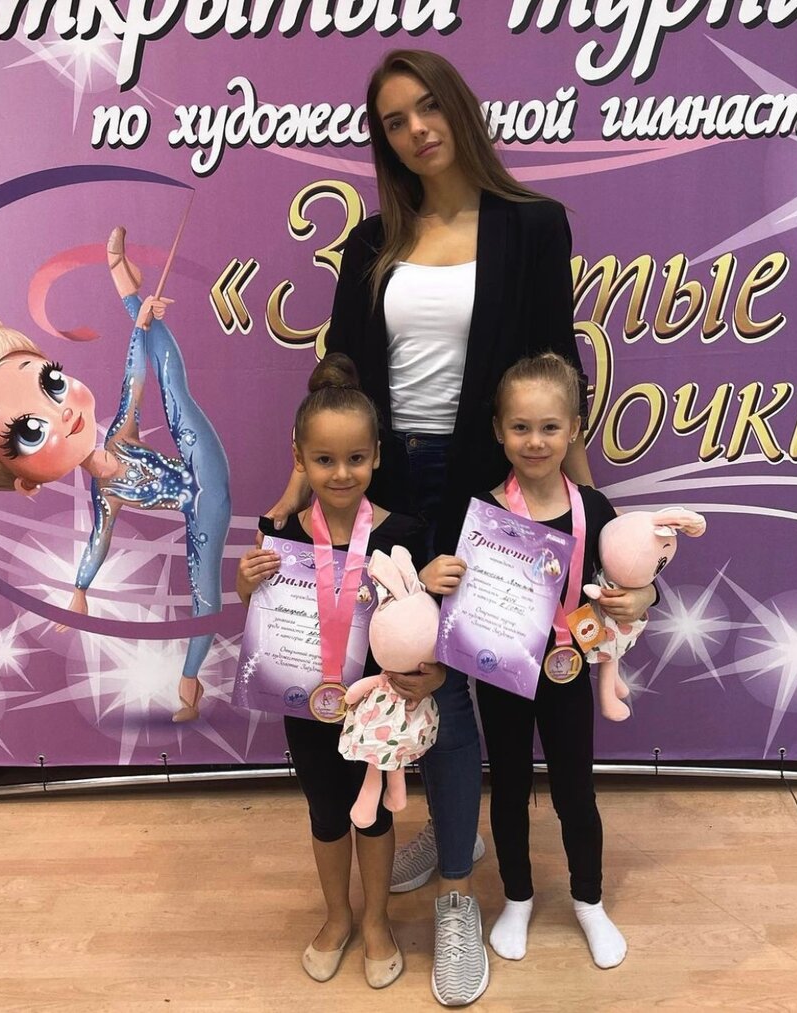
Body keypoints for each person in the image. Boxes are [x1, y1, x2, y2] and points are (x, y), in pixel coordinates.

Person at [265, 49, 595, 1007]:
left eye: (427, 107)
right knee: (411, 676)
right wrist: (293, 499)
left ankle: (457, 894)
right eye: (393, 120)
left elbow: (556, 373)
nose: (415, 129)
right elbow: (339, 377)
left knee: (466, 686)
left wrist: (583, 515)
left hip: (491, 483)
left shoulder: (533, 225)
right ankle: (454, 840)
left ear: (458, 108)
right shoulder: (374, 241)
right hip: (386, 484)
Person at [0, 227, 231, 722]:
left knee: (172, 382)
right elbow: (98, 541)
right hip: (203, 513)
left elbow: (136, 378)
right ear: (27, 482)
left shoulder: (119, 435)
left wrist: (140, 323)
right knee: (205, 596)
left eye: (51, 382)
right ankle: (190, 685)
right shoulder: (104, 495)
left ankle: (128, 289)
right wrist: (80, 591)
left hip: (201, 462)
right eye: (30, 432)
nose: (63, 412)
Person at [236, 352, 437, 989]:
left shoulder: (406, 533)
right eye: (324, 459)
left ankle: (376, 920)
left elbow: (429, 625)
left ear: (376, 456)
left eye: (355, 458)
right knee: (326, 812)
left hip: (380, 705)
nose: (342, 472)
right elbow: (259, 616)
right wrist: (245, 584)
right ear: (299, 458)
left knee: (371, 813)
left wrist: (431, 675)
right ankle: (337, 916)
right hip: (308, 704)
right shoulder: (281, 534)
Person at [472, 353, 654, 968]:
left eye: (550, 427)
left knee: (576, 789)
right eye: (520, 427)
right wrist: (441, 574)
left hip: (569, 673)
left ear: (574, 429)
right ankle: (517, 897)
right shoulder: (482, 512)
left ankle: (589, 900)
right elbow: (453, 593)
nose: (535, 441)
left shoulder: (595, 509)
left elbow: (640, 576)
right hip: (502, 674)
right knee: (509, 787)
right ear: (498, 431)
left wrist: (644, 596)